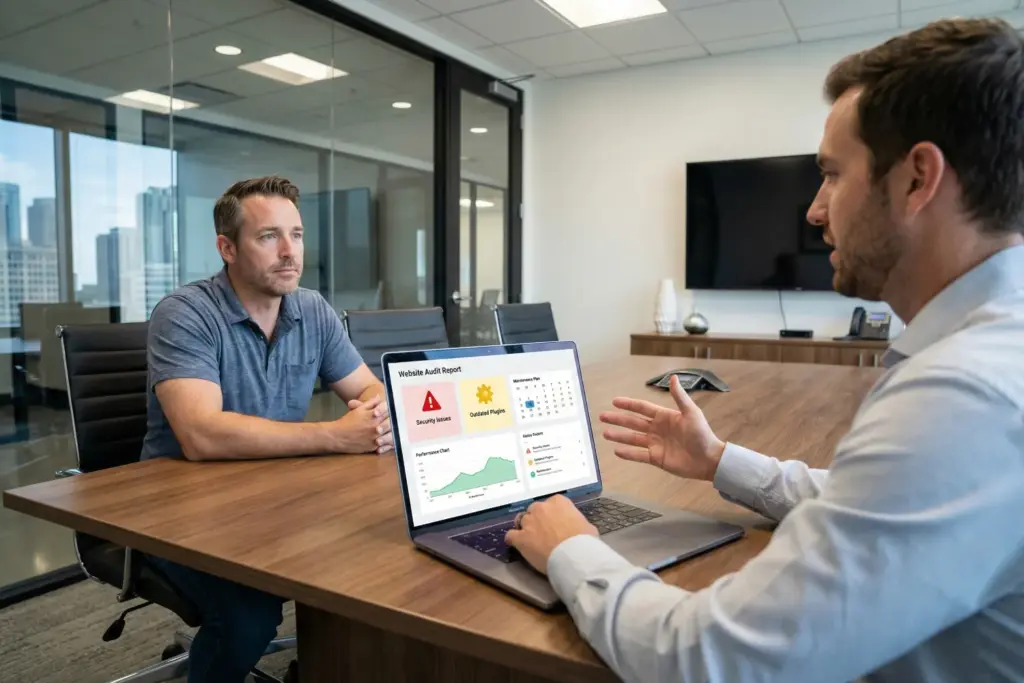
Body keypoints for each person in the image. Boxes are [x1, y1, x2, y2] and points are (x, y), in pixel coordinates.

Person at [506, 17, 1024, 683]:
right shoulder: (991, 348)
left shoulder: (965, 395)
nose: (814, 210)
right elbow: (869, 502)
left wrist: (573, 549)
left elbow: (710, 660)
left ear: (918, 178)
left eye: (833, 175)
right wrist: (720, 460)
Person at [141, 176, 393, 683]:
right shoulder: (186, 314)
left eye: (296, 235)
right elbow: (202, 435)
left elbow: (370, 391)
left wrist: (377, 417)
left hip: (276, 498)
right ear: (226, 247)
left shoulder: (312, 310)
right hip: (176, 515)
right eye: (268, 237)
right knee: (247, 615)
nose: (289, 253)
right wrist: (335, 436)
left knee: (378, 557)